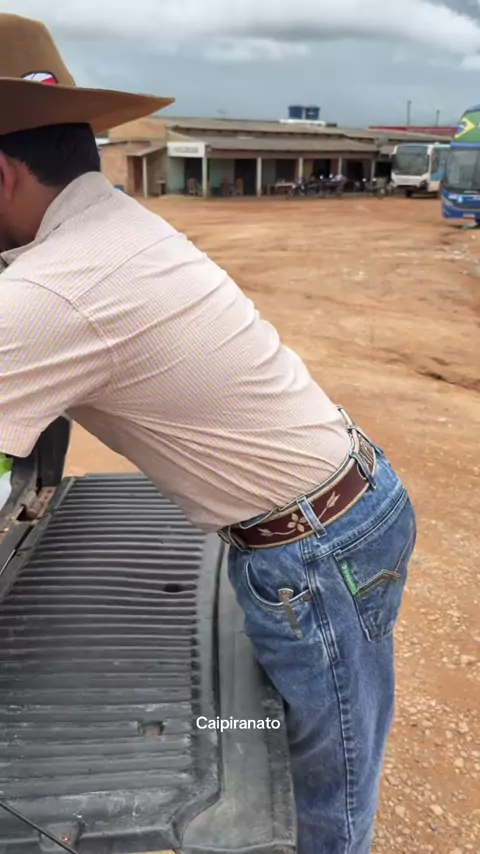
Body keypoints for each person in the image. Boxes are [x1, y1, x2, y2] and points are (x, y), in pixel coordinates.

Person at [0, 14, 417, 854]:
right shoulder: (107, 225)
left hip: (313, 552)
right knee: (316, 759)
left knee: (326, 806)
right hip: (336, 515)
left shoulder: (54, 290)